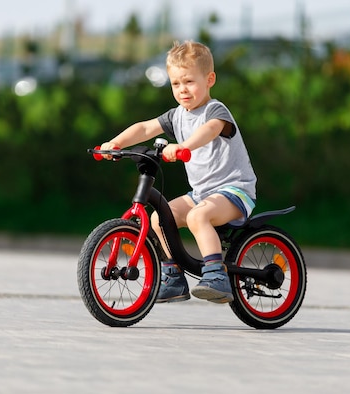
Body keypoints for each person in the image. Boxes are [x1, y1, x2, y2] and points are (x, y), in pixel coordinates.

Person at [100, 40, 257, 304]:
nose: (182, 90)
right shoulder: (177, 115)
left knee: (197, 217)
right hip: (202, 192)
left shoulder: (215, 110)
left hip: (234, 190)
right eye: (176, 84)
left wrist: (184, 146)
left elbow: (210, 130)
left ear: (209, 79)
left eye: (189, 82)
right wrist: (115, 143)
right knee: (159, 219)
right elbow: (145, 128)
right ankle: (173, 276)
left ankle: (217, 275)